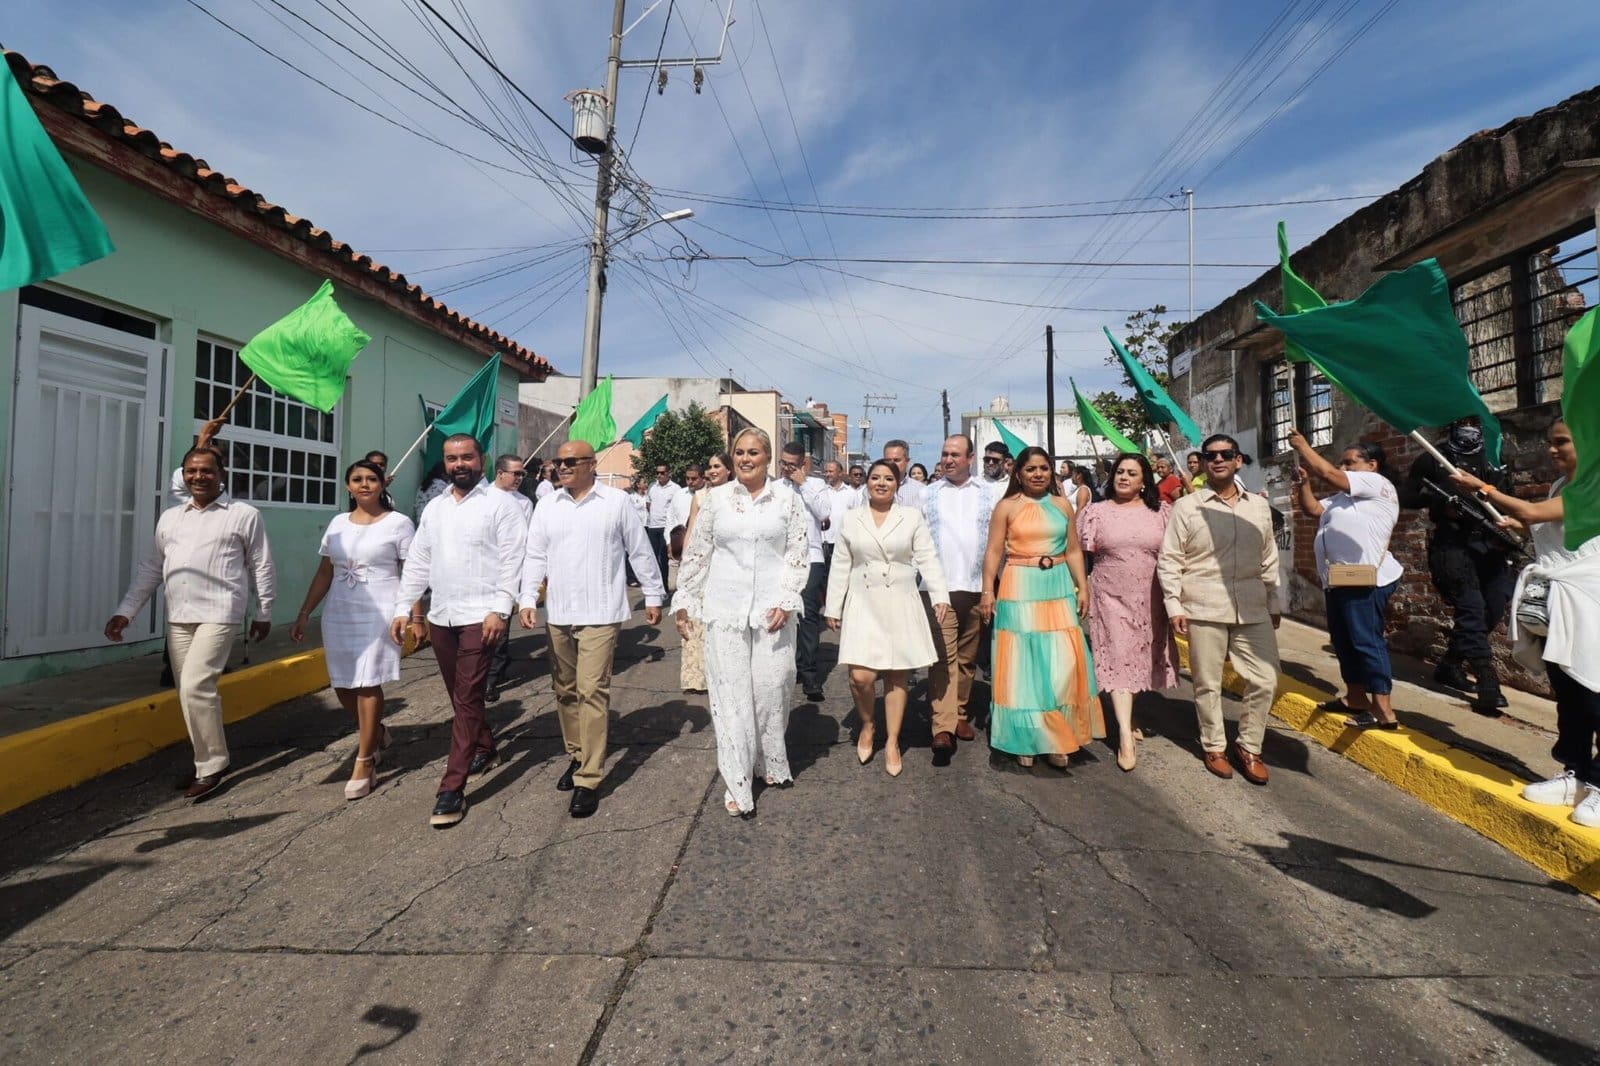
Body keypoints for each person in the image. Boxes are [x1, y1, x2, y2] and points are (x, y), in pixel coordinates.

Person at [1449, 419, 1600, 827]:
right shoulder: (1560, 486)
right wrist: (1520, 525)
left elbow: (1534, 512)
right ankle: (1575, 774)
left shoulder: (1595, 485)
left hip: (1591, 601)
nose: (1552, 449)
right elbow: (1552, 525)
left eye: (1561, 442)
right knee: (1568, 691)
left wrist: (1483, 488)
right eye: (1550, 441)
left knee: (1594, 693)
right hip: (1558, 602)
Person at [105, 447, 275, 800]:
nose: (199, 476)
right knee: (187, 691)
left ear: (222, 474)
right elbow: (152, 568)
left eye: (207, 470)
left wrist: (264, 611)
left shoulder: (243, 514)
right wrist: (126, 611)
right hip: (179, 615)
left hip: (220, 611)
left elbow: (261, 564)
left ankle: (213, 765)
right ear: (183, 475)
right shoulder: (171, 518)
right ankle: (204, 760)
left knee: (197, 685)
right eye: (191, 471)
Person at [519, 439, 665, 818]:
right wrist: (526, 597)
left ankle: (589, 778)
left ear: (591, 464)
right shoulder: (548, 504)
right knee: (565, 690)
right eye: (559, 462)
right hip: (559, 611)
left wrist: (653, 594)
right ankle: (578, 753)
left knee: (591, 690)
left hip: (600, 611)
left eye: (571, 462)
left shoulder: (616, 503)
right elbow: (535, 554)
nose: (563, 467)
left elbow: (639, 549)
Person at [673, 428, 811, 818]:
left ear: (768, 457)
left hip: (773, 611)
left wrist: (787, 598)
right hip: (725, 610)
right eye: (739, 452)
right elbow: (698, 553)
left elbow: (797, 551)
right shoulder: (716, 499)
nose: (745, 458)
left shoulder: (786, 498)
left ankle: (768, 760)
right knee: (732, 699)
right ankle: (737, 780)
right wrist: (685, 601)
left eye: (753, 452)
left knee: (772, 688)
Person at [391, 434, 527, 829]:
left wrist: (500, 608)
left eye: (467, 457)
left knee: (467, 696)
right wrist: (404, 607)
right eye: (452, 458)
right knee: (459, 695)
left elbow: (512, 560)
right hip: (442, 616)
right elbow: (419, 560)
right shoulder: (435, 507)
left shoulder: (502, 504)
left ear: (481, 460)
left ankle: (451, 787)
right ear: (445, 463)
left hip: (481, 617)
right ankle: (486, 747)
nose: (459, 464)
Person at [288, 460, 416, 800]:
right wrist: (304, 612)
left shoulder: (399, 523)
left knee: (368, 682)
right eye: (357, 479)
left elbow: (412, 572)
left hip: (381, 612)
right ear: (348, 486)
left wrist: (413, 614)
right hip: (340, 611)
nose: (364, 484)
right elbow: (324, 572)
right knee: (344, 684)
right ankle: (377, 732)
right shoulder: (337, 523)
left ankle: (364, 760)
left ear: (382, 483)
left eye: (371, 479)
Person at [1158, 433, 1281, 785]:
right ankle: (1214, 746)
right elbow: (1170, 558)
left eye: (1226, 454)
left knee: (1266, 679)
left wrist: (1274, 601)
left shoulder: (1258, 506)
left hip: (1252, 605)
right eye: (1210, 455)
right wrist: (1173, 605)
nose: (1218, 460)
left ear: (1238, 460)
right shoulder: (1187, 506)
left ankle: (1249, 746)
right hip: (1204, 603)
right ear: (1203, 463)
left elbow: (1269, 556)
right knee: (1207, 683)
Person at [826, 459, 950, 777]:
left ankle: (893, 740)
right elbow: (840, 563)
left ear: (897, 484)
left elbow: (928, 557)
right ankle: (868, 724)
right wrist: (833, 606)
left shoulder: (911, 517)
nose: (881, 483)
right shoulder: (851, 519)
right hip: (863, 600)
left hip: (901, 600)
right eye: (875, 478)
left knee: (897, 675)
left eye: (888, 479)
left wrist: (939, 595)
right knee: (860, 677)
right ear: (867, 482)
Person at [979, 446, 1100, 768]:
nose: (1038, 474)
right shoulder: (1006, 506)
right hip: (1019, 584)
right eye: (1031, 469)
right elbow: (993, 552)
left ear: (1051, 472)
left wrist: (1083, 586)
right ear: (1018, 473)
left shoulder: (1062, 505)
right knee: (1023, 663)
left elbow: (1073, 550)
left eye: (1044, 468)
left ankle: (1057, 736)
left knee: (1062, 663)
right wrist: (987, 592)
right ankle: (1027, 736)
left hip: (1058, 585)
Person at [1399, 418, 1517, 713]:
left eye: (1473, 421)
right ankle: (1487, 679)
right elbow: (1407, 496)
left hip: (1490, 544)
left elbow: (1509, 498)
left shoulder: (1494, 456)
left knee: (1492, 609)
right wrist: (1438, 500)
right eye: (1463, 420)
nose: (1469, 425)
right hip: (1452, 544)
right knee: (1471, 609)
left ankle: (1451, 664)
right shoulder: (1433, 458)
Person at [1289, 429, 1404, 730]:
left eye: (1350, 462)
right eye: (1343, 463)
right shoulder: (1342, 498)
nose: (1344, 468)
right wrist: (1304, 484)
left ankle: (1383, 709)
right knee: (1343, 640)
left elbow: (1328, 473)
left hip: (1366, 580)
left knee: (1365, 640)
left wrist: (1303, 447)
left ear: (1372, 465)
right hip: (1339, 579)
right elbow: (1313, 509)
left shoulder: (1378, 484)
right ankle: (1355, 697)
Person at [1077, 453, 1178, 772]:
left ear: (1144, 481)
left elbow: (1178, 553)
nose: (1123, 477)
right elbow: (1076, 552)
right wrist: (1080, 587)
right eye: (1119, 471)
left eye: (1131, 473)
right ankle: (1124, 735)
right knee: (1119, 658)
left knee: (1140, 660)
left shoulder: (1162, 512)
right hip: (1110, 597)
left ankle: (1128, 715)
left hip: (1152, 598)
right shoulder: (1096, 512)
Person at [921, 434, 997, 764]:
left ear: (970, 458)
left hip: (977, 586)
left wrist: (992, 587)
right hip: (939, 588)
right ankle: (943, 728)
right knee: (943, 657)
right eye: (944, 454)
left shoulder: (989, 493)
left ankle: (959, 713)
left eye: (955, 454)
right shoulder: (927, 494)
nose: (949, 459)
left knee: (967, 657)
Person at [779, 442, 832, 702]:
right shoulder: (776, 488)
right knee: (784, 613)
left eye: (792, 465)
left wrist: (804, 485)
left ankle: (810, 674)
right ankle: (788, 668)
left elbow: (824, 513)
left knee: (808, 615)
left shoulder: (816, 486)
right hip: (783, 559)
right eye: (783, 464)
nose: (787, 469)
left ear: (803, 465)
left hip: (811, 557)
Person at [679, 453, 732, 693]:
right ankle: (697, 678)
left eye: (717, 466)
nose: (712, 471)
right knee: (696, 617)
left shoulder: (737, 495)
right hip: (701, 566)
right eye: (710, 466)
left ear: (729, 470)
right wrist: (686, 562)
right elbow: (691, 530)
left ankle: (724, 675)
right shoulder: (700, 496)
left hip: (725, 565)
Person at [485, 454, 535, 700]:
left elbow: (526, 541)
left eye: (522, 474)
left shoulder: (524, 503)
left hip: (507, 574)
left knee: (500, 627)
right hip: (481, 572)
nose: (519, 478)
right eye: (516, 473)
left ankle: (491, 679)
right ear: (500, 473)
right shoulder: (482, 497)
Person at [645, 462, 681, 584]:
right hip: (652, 527)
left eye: (662, 473)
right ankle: (655, 585)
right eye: (657, 473)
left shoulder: (675, 488)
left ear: (669, 473)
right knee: (653, 558)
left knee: (663, 558)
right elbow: (648, 504)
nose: (659, 475)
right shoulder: (652, 487)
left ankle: (664, 586)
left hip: (666, 528)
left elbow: (677, 508)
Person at [821, 459, 860, 568]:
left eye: (831, 471)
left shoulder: (851, 493)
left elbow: (857, 517)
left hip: (844, 541)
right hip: (825, 541)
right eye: (826, 471)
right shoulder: (822, 491)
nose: (827, 474)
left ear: (840, 473)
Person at [668, 464, 705, 571]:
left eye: (694, 478)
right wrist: (669, 542)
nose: (690, 481)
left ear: (702, 478)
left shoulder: (708, 495)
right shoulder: (678, 495)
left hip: (700, 549)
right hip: (678, 548)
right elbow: (670, 519)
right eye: (687, 478)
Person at [884, 439, 927, 512]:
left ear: (907, 461)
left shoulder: (921, 490)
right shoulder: (871, 489)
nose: (892, 464)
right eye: (888, 460)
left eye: (896, 460)